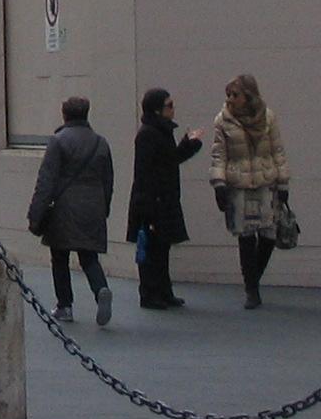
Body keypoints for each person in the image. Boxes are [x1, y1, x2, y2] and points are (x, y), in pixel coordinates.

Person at [28, 95, 116, 326]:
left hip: (64, 207)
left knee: (60, 257)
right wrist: (104, 208)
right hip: (93, 206)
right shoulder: (101, 143)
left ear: (64, 115)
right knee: (89, 257)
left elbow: (46, 181)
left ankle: (65, 305)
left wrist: (35, 213)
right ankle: (101, 288)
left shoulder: (58, 141)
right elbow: (108, 180)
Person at [210, 73, 291, 310]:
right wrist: (219, 183)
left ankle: (253, 277)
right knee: (245, 236)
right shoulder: (223, 120)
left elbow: (278, 151)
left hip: (266, 181)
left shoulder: (268, 118)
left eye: (235, 95)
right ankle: (251, 288)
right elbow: (219, 154)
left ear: (248, 96)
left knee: (268, 234)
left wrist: (283, 183)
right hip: (239, 183)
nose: (230, 99)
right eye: (228, 94)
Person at [128, 88, 205, 310]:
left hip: (161, 198)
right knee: (152, 248)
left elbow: (169, 160)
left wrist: (188, 144)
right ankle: (150, 293)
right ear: (157, 109)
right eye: (169, 105)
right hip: (153, 201)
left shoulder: (160, 131)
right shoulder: (148, 134)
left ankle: (163, 291)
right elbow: (148, 170)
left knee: (162, 248)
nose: (173, 109)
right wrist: (149, 203)